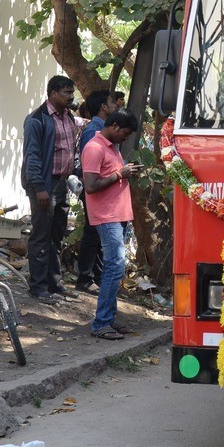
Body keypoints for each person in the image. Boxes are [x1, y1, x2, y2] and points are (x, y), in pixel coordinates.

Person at [81, 107, 142, 340]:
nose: (125, 138)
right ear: (114, 126)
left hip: (118, 215)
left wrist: (124, 172)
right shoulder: (94, 148)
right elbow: (90, 186)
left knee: (116, 268)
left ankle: (109, 318)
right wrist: (119, 174)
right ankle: (101, 322)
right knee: (114, 266)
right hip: (107, 217)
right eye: (124, 133)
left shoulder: (112, 148)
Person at [21, 75, 79, 304]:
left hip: (62, 183)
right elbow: (32, 157)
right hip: (44, 185)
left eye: (71, 92)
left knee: (57, 234)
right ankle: (37, 286)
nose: (71, 96)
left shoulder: (69, 117)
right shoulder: (37, 120)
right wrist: (39, 188)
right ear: (53, 93)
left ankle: (54, 283)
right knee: (41, 235)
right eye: (67, 92)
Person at [73, 89, 123, 290]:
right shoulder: (92, 131)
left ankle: (98, 276)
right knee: (92, 233)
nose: (115, 106)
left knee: (100, 235)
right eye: (112, 103)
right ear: (104, 107)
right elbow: (90, 167)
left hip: (106, 190)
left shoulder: (104, 128)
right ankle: (85, 278)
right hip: (95, 190)